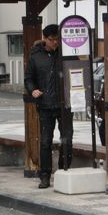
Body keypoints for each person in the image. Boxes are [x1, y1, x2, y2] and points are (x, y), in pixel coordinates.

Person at [24, 24, 73, 189]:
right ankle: (44, 176)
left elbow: (76, 72)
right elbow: (29, 78)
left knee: (67, 140)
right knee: (45, 142)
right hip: (45, 104)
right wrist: (33, 90)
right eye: (52, 40)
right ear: (44, 39)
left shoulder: (66, 54)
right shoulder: (35, 56)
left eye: (57, 40)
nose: (55, 43)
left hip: (65, 105)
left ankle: (63, 171)